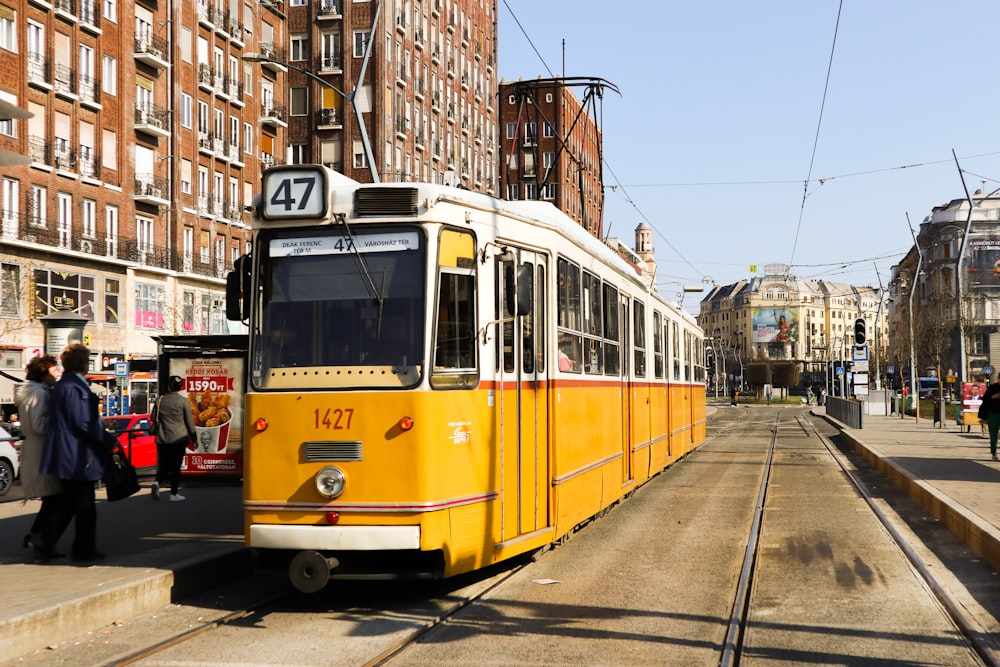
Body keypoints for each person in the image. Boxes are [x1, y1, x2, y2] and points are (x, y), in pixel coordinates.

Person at [39, 344, 119, 563]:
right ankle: (82, 550)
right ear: (81, 362)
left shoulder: (66, 385)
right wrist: (107, 439)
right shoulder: (74, 388)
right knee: (84, 506)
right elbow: (84, 423)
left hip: (69, 453)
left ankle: (44, 541)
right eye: (86, 359)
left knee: (69, 504)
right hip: (76, 455)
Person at [13, 355, 65, 561]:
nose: (57, 374)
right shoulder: (41, 394)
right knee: (54, 499)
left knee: (51, 500)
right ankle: (39, 538)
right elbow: (39, 424)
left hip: (33, 450)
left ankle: (37, 537)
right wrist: (59, 419)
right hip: (43, 451)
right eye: (54, 371)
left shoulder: (29, 392)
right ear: (44, 373)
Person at [150, 375, 196, 502]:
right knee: (176, 466)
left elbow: (153, 417)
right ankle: (174, 494)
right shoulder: (183, 401)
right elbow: (189, 422)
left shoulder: (160, 400)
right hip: (179, 438)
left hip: (162, 438)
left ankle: (157, 483)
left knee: (164, 464)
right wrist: (194, 438)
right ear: (180, 387)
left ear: (168, 386)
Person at [980, 380, 1000, 461]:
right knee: (993, 434)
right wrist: (993, 397)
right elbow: (985, 399)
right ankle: (994, 452)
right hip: (993, 413)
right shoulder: (992, 387)